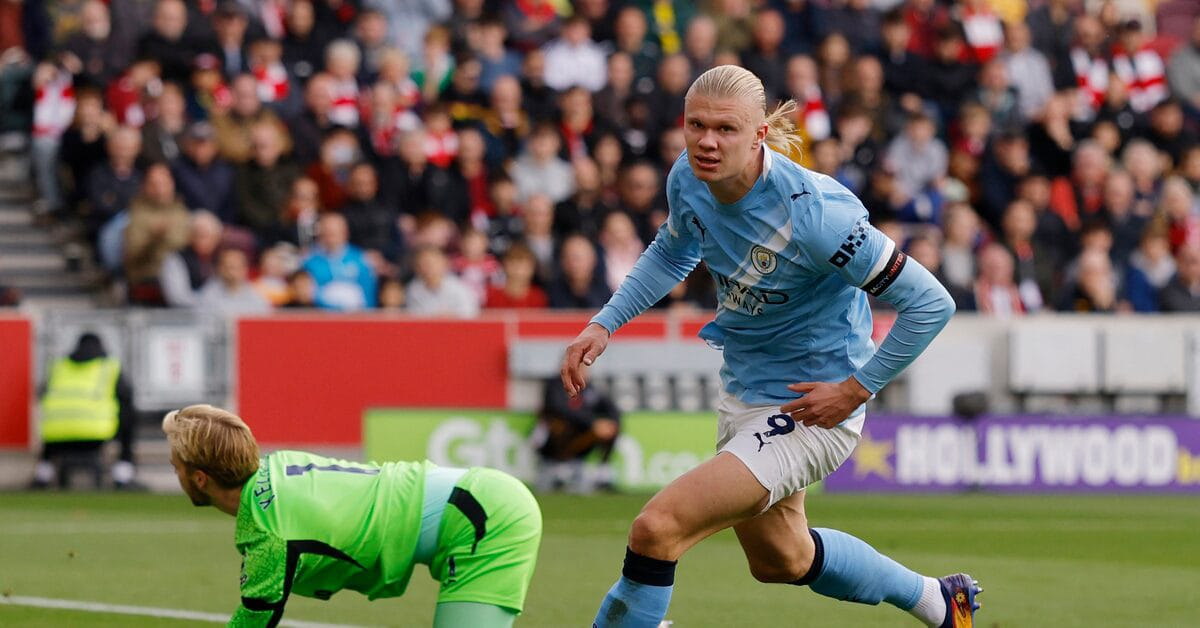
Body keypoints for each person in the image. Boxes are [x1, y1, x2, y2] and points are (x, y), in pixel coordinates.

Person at [560, 66, 978, 627]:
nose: (707, 142)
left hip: (811, 404)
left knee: (657, 529)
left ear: (759, 134)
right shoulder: (689, 176)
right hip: (744, 389)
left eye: (726, 129)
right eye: (696, 125)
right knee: (782, 559)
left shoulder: (817, 217)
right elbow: (673, 251)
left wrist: (855, 390)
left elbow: (931, 302)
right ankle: (939, 601)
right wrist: (605, 323)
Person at [162, 404, 541, 628]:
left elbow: (252, 622)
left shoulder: (269, 534)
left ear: (201, 478)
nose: (172, 468)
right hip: (481, 500)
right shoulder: (272, 467)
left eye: (176, 464)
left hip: (484, 517)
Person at [33, 333, 139, 489]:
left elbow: (43, 394)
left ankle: (42, 475)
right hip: (97, 434)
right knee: (128, 418)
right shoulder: (109, 366)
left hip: (57, 436)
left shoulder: (58, 366)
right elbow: (126, 396)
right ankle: (122, 475)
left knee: (57, 421)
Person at [533, 377, 621, 493]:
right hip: (552, 441)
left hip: (581, 436)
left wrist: (611, 422)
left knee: (608, 428)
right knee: (562, 425)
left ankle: (603, 471)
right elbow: (559, 409)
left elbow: (610, 407)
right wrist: (592, 423)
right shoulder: (555, 386)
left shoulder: (589, 388)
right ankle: (560, 466)